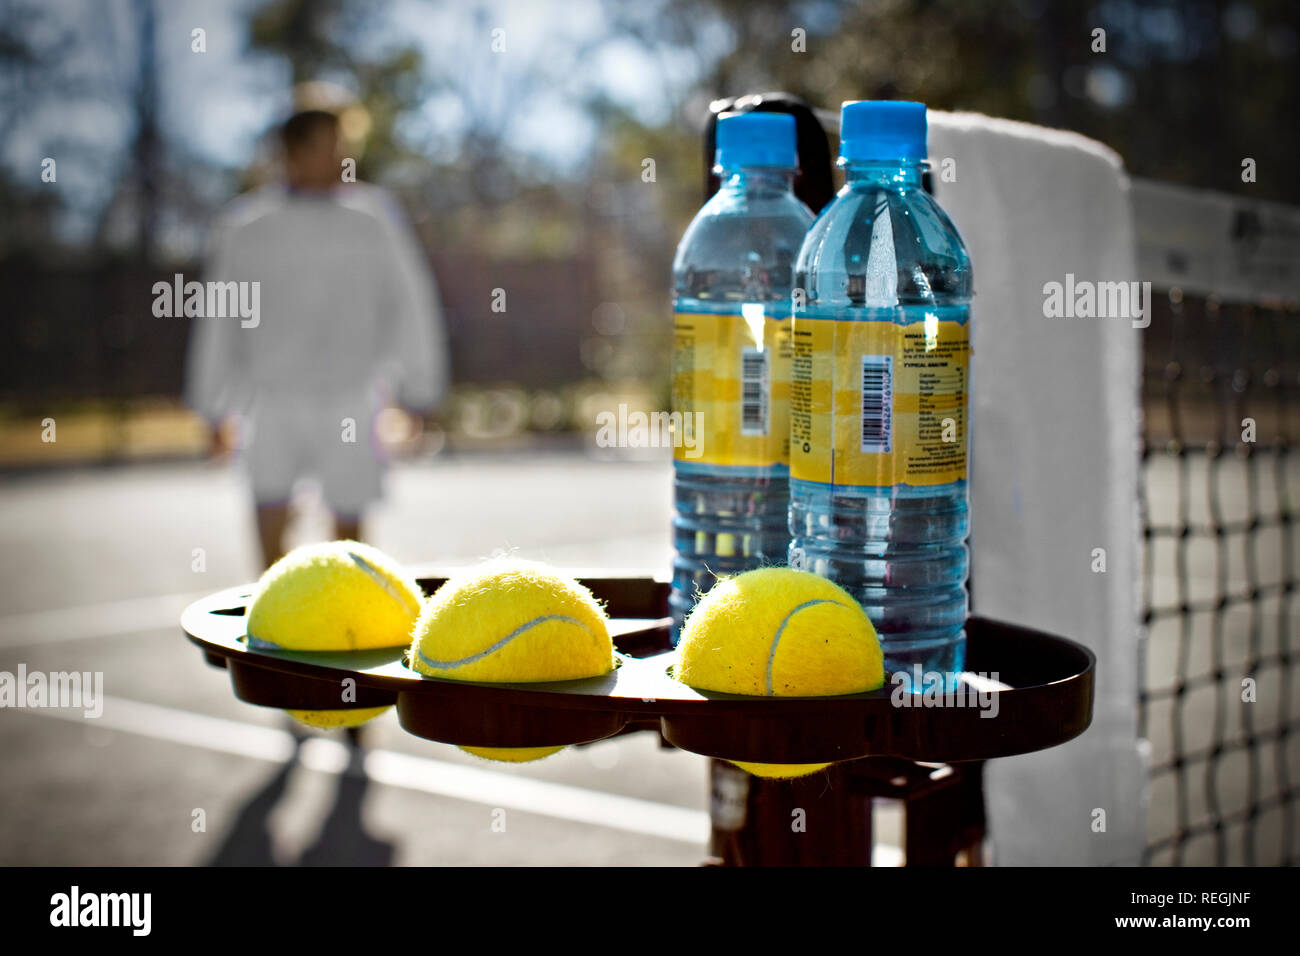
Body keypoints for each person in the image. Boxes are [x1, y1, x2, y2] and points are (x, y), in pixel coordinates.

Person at [185, 109, 448, 568]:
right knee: (269, 505)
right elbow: (219, 320)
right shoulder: (247, 227)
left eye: (339, 145)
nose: (335, 157)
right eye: (321, 146)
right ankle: (272, 619)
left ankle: (348, 623)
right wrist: (212, 406)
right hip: (270, 398)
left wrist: (419, 391)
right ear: (290, 152)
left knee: (350, 520)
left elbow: (409, 304)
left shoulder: (373, 220)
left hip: (352, 395)